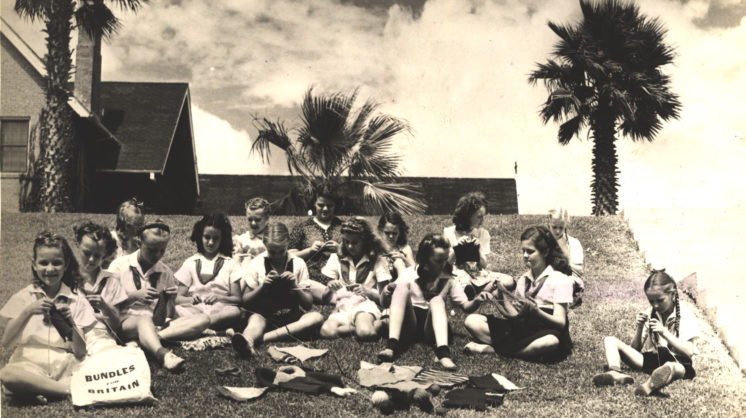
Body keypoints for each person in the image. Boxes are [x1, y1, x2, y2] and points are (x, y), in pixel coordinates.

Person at [0, 232, 96, 402]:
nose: (50, 269)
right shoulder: (23, 297)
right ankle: (68, 391)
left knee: (94, 369)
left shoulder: (76, 299)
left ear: (66, 265)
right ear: (34, 265)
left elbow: (81, 352)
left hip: (63, 364)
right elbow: (6, 343)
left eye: (57, 263)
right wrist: (28, 311)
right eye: (43, 263)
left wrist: (72, 323)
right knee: (7, 374)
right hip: (30, 362)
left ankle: (37, 390)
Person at [377, 233, 489, 371]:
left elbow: (466, 306)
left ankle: (443, 353)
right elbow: (384, 303)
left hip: (432, 327)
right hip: (410, 323)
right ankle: (391, 346)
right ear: (424, 259)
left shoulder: (449, 278)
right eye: (438, 261)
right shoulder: (409, 273)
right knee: (401, 287)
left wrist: (477, 301)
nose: (444, 264)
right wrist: (387, 291)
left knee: (437, 300)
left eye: (445, 259)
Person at [108, 220, 210, 371]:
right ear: (139, 243)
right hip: (124, 323)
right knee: (144, 320)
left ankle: (147, 339)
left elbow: (167, 314)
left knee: (204, 319)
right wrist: (134, 296)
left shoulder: (165, 271)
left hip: (155, 324)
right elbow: (108, 307)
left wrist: (170, 300)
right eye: (152, 250)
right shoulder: (119, 266)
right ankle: (163, 355)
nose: (157, 255)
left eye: (162, 250)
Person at [463, 226, 573, 361]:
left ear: (545, 252)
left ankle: (494, 350)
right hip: (523, 329)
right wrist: (499, 296)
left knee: (550, 342)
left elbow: (561, 323)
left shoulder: (560, 279)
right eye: (523, 251)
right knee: (471, 321)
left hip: (547, 330)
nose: (525, 255)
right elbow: (515, 316)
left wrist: (536, 311)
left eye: (530, 251)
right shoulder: (523, 279)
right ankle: (518, 350)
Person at [592, 269, 698, 396]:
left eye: (660, 300)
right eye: (651, 301)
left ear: (672, 294)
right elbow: (635, 349)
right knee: (610, 340)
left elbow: (689, 351)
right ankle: (615, 372)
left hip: (677, 361)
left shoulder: (685, 315)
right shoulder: (650, 313)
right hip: (652, 359)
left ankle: (651, 384)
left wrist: (664, 332)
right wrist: (640, 327)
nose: (655, 305)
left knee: (674, 367)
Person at [232, 223, 324, 358]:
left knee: (316, 317)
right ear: (265, 245)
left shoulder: (298, 263)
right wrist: (262, 287)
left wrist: (295, 286)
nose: (277, 256)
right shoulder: (257, 263)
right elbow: (245, 301)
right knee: (255, 320)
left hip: (291, 317)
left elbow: (308, 304)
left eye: (281, 251)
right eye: (272, 252)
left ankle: (264, 338)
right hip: (264, 316)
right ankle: (247, 340)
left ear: (288, 243)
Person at [319, 218, 399, 340]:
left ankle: (380, 324)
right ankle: (356, 327)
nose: (350, 246)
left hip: (365, 306)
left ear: (365, 241)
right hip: (343, 306)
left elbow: (385, 301)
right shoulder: (336, 258)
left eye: (355, 242)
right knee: (326, 332)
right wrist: (330, 288)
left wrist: (368, 291)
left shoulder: (377, 260)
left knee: (366, 333)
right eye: (346, 242)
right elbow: (324, 298)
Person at [175, 214, 243, 331]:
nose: (211, 242)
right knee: (178, 308)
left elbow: (237, 299)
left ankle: (199, 326)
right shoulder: (190, 262)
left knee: (235, 311)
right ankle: (208, 328)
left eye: (215, 238)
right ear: (200, 237)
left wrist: (219, 298)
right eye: (207, 237)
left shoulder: (230, 263)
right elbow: (178, 298)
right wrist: (190, 299)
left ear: (222, 239)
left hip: (220, 310)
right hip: (195, 310)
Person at [444, 192, 512, 299]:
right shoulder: (449, 233)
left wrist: (478, 250)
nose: (482, 221)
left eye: (483, 216)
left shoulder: (482, 233)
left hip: (478, 275)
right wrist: (457, 248)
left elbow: (483, 265)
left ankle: (481, 290)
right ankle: (485, 290)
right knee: (461, 283)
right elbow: (445, 265)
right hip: (459, 275)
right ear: (467, 216)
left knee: (509, 281)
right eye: (479, 217)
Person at [73, 221, 127, 353]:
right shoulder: (65, 278)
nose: (91, 259)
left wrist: (104, 306)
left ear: (105, 255)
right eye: (87, 253)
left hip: (101, 339)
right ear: (77, 245)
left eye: (97, 255)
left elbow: (116, 326)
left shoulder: (111, 280)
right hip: (73, 338)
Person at [288, 189, 343, 284]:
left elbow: (358, 254)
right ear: (314, 205)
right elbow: (289, 256)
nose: (325, 209)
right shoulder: (303, 227)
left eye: (329, 205)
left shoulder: (343, 226)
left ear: (335, 206)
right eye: (321, 205)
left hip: (339, 278)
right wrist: (309, 251)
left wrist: (340, 249)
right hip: (310, 278)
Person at [548, 207, 584, 306]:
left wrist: (567, 262)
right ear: (549, 222)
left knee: (564, 283)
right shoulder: (542, 241)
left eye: (561, 227)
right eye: (554, 227)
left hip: (568, 277)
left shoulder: (573, 243)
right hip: (547, 277)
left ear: (565, 225)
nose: (557, 231)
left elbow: (580, 271)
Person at [106, 198, 145, 268]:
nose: (138, 229)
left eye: (141, 225)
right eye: (134, 225)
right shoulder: (110, 239)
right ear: (124, 224)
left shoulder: (138, 244)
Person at [233, 197, 271, 269]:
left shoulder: (272, 238)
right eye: (250, 219)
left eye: (257, 219)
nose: (253, 223)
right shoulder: (241, 240)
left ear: (267, 218)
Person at [377, 211, 415, 278]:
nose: (391, 236)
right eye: (387, 233)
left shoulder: (404, 248)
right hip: (380, 281)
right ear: (381, 230)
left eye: (394, 233)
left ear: (400, 232)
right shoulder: (376, 247)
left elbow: (415, 271)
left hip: (402, 281)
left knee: (399, 262)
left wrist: (404, 259)